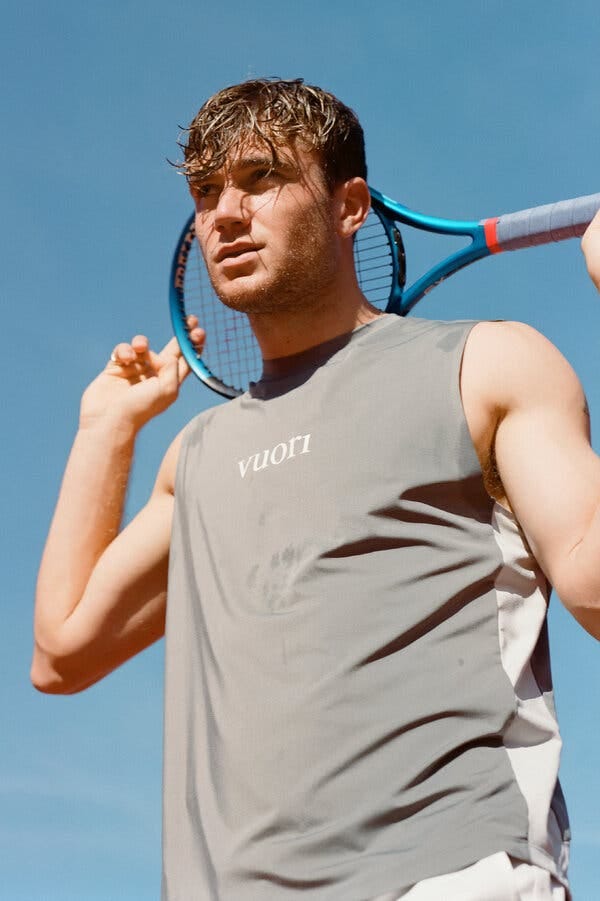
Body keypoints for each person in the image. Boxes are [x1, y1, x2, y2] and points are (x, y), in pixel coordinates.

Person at [32, 79, 600, 901]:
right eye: (204, 191)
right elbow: (63, 652)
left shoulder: (489, 363)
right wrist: (104, 431)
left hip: (448, 879)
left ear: (351, 206)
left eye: (260, 178)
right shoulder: (194, 455)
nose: (224, 211)